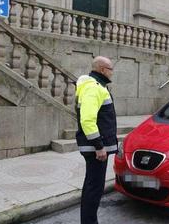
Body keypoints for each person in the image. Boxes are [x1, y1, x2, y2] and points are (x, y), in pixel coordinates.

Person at [76, 56, 118, 224]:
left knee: (92, 186)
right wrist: (99, 146)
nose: (112, 72)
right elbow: (87, 120)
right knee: (94, 188)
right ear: (102, 70)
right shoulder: (94, 88)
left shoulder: (96, 86)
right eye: (110, 69)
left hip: (95, 148)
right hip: (96, 150)